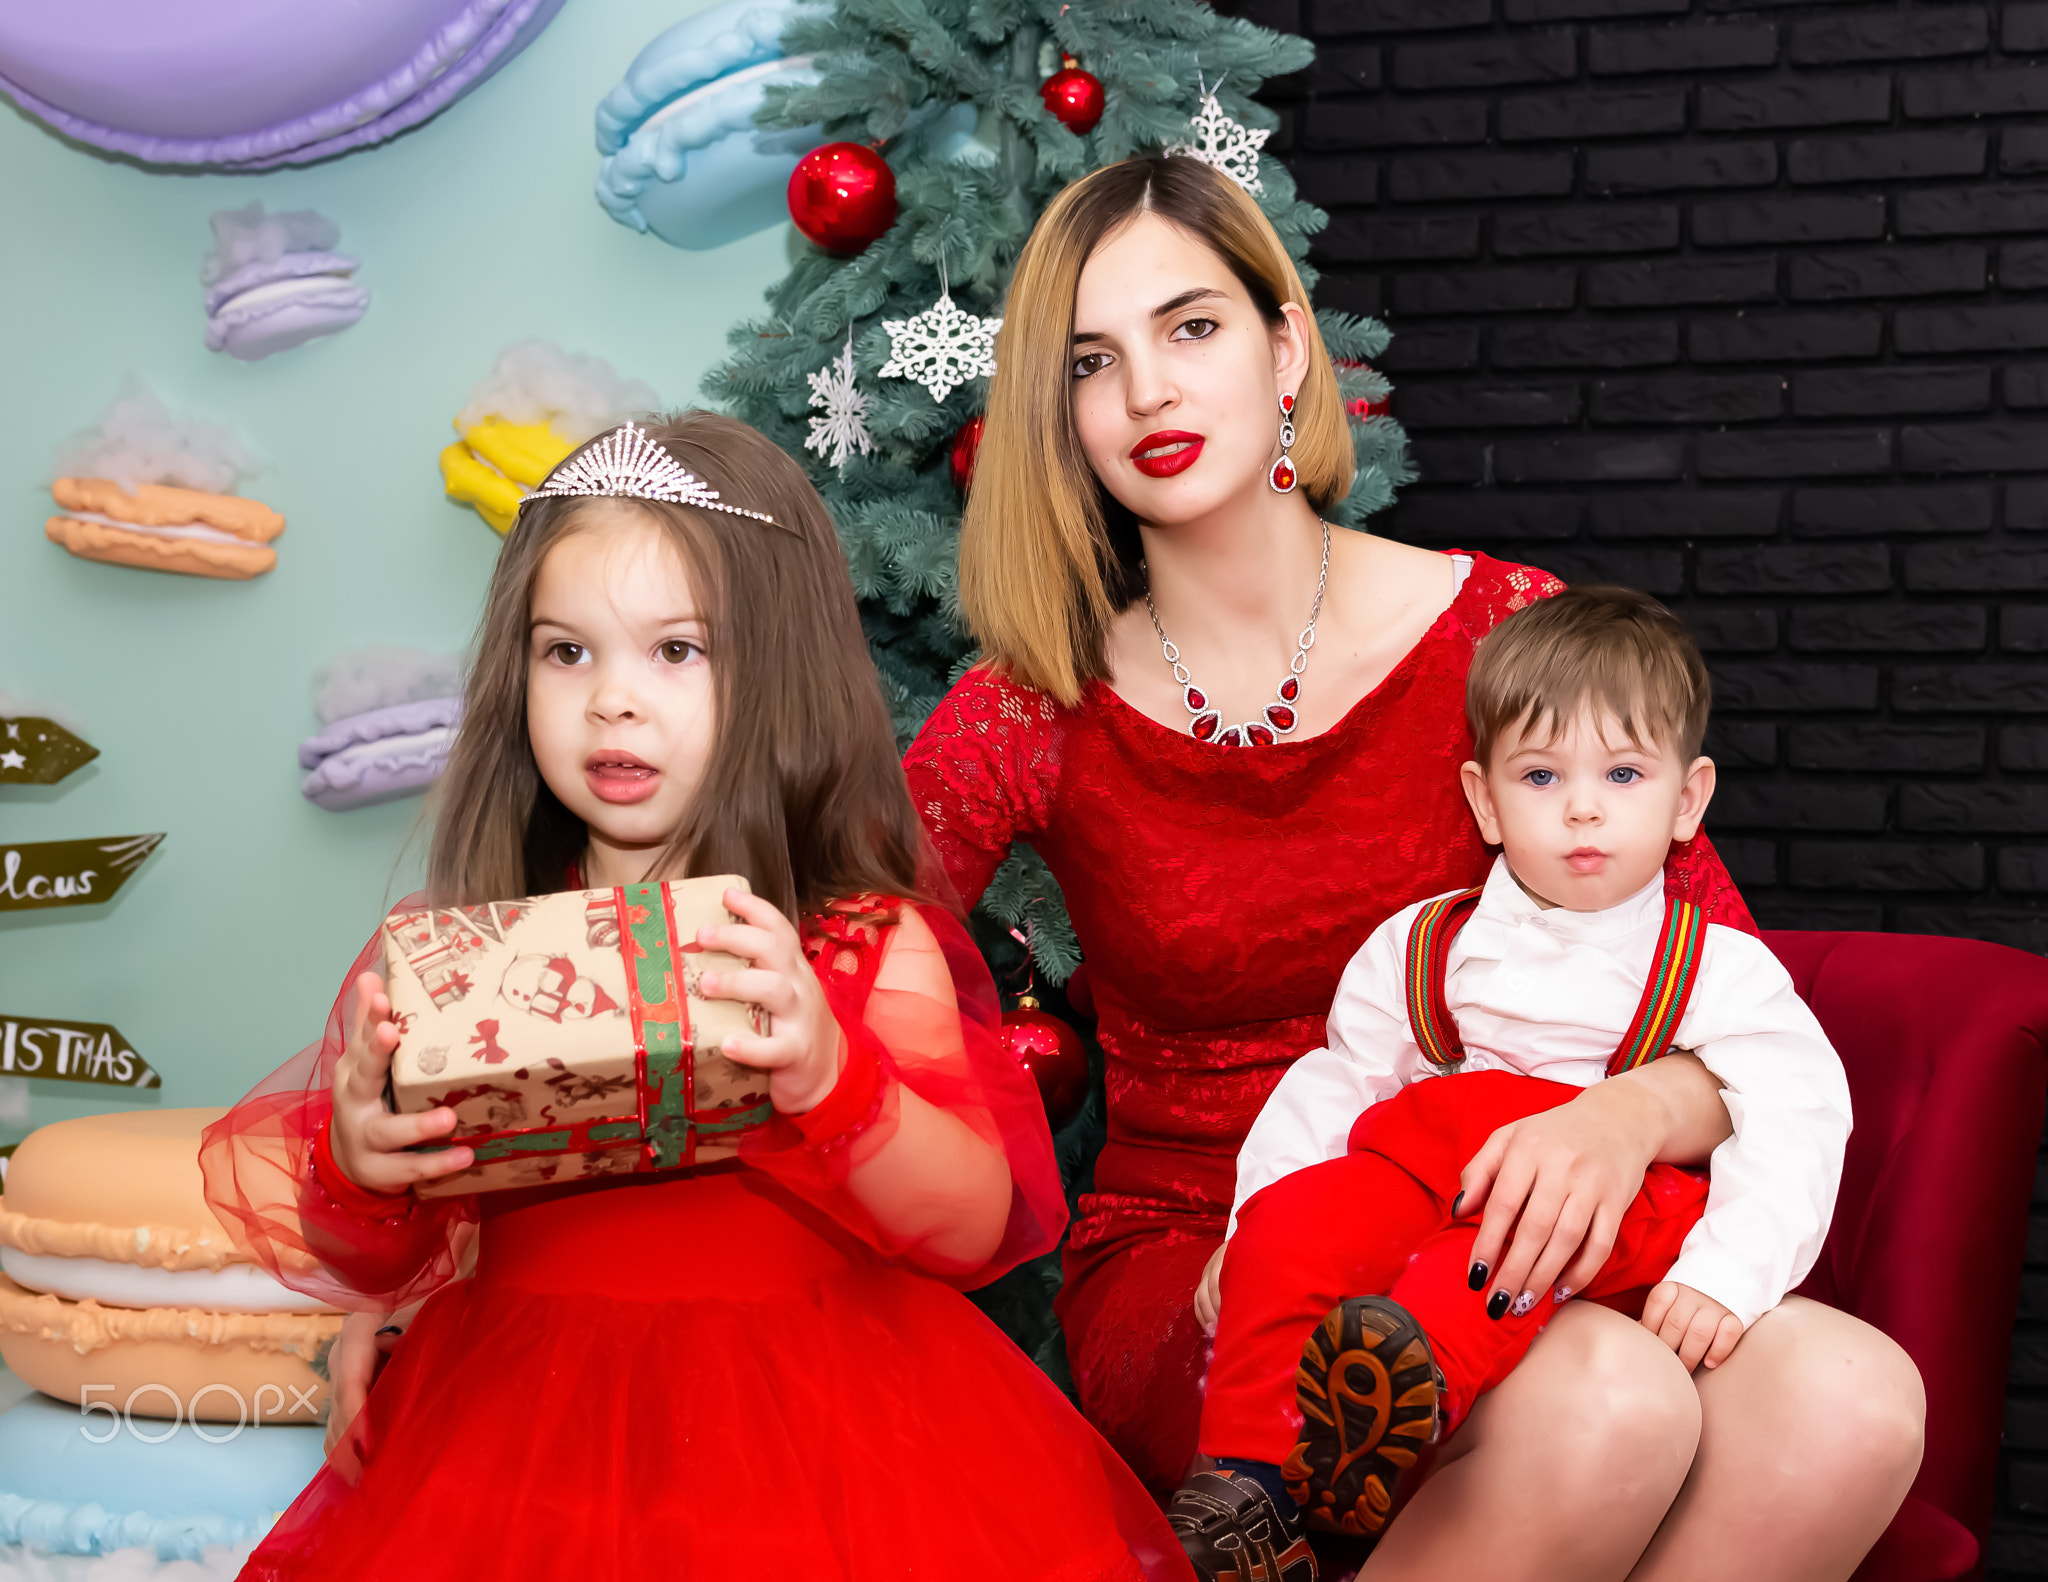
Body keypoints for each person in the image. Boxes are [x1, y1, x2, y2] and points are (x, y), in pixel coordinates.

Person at [904, 153, 1924, 1580]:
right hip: (1214, 1248)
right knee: (1609, 1399)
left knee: (1853, 1401)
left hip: (1523, 1200)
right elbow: (845, 940)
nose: (1147, 391)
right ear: (1058, 414)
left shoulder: (1506, 635)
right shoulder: (1031, 706)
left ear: (1285, 345)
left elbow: (1713, 996)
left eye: (1191, 327)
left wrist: (1617, 1123)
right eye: (1092, 360)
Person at [196, 413, 1189, 1581]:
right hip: (518, 1454)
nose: (613, 701)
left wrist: (832, 1077)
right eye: (567, 652)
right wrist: (368, 1165)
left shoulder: (858, 948)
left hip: (825, 1455)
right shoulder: (457, 961)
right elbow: (367, 1258)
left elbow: (975, 1226)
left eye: (676, 650)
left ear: (777, 670)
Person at [1173, 587, 1852, 1578]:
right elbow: (1336, 1087)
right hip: (1434, 1172)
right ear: (1484, 800)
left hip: (1611, 1208)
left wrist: (1726, 1273)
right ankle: (1242, 1485)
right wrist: (1251, 1223)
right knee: (1300, 1222)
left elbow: (1796, 1114)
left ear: (1686, 798)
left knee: (1494, 1242)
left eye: (1621, 772)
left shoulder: (1711, 967)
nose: (1582, 806)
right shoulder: (1420, 946)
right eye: (1540, 775)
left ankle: (1400, 1402)